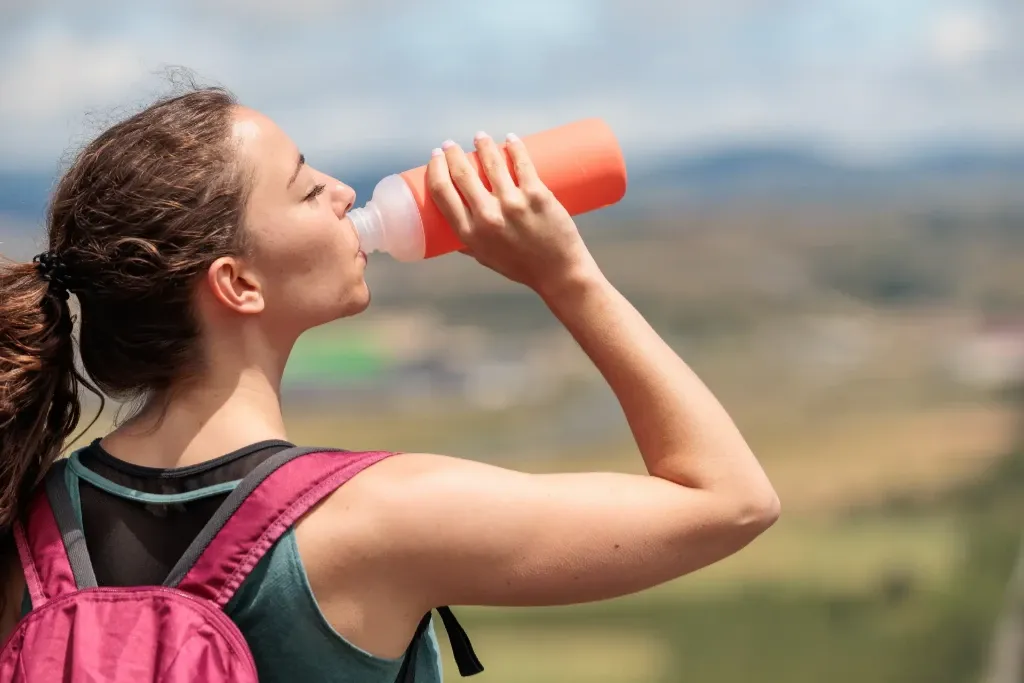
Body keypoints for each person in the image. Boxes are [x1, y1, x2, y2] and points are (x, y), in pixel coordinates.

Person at [0, 85, 779, 682]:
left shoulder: (26, 523)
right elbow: (731, 500)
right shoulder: (379, 516)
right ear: (237, 284)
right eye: (307, 187)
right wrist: (566, 274)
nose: (344, 190)